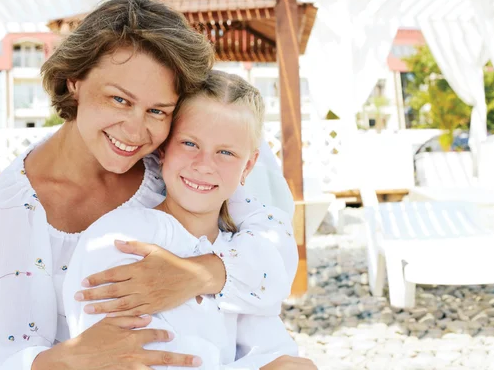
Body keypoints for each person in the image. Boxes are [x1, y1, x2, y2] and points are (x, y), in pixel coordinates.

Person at [0, 0, 298, 369]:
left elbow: (278, 249)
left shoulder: (186, 153)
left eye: (157, 110)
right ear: (74, 80)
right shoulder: (18, 208)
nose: (136, 130)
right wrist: (70, 359)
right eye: (119, 100)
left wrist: (201, 275)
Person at [63, 70, 315, 369]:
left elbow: (275, 353)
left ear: (248, 166)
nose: (204, 165)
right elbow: (118, 356)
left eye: (225, 152)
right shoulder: (121, 237)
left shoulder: (238, 254)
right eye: (190, 144)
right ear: (163, 149)